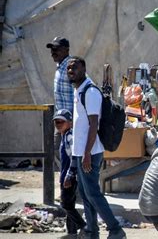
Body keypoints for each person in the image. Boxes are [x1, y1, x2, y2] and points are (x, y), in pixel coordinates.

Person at [67, 56, 126, 239]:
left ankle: (116, 230)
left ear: (84, 69)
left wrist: (86, 154)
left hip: (90, 152)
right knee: (85, 194)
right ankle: (92, 231)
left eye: (74, 68)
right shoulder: (79, 90)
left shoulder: (90, 92)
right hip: (81, 152)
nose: (71, 71)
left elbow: (94, 124)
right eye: (69, 69)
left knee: (93, 193)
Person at [53, 109, 87, 238]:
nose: (58, 123)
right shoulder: (64, 135)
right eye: (56, 121)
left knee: (66, 204)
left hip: (70, 176)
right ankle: (72, 232)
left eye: (62, 121)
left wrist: (69, 176)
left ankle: (83, 226)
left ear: (70, 123)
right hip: (66, 176)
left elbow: (74, 156)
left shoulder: (69, 136)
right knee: (70, 204)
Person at [47, 36, 73, 169]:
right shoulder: (60, 66)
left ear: (66, 50)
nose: (53, 52)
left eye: (56, 49)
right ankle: (67, 179)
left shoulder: (71, 67)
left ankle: (71, 180)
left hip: (71, 120)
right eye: (52, 49)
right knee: (58, 149)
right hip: (62, 120)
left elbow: (81, 92)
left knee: (66, 151)